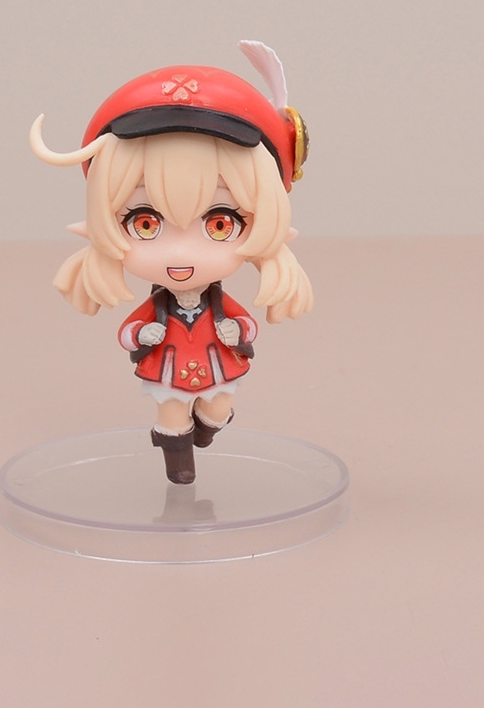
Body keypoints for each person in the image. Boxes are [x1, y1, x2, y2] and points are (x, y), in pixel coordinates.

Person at [30, 41, 313, 484]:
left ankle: (209, 427)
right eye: (145, 223)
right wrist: (143, 333)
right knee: (172, 414)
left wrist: (239, 331)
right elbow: (132, 330)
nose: (181, 253)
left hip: (216, 361)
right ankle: (178, 462)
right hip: (168, 365)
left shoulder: (217, 302)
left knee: (219, 408)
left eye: (220, 223)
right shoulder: (159, 305)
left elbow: (243, 323)